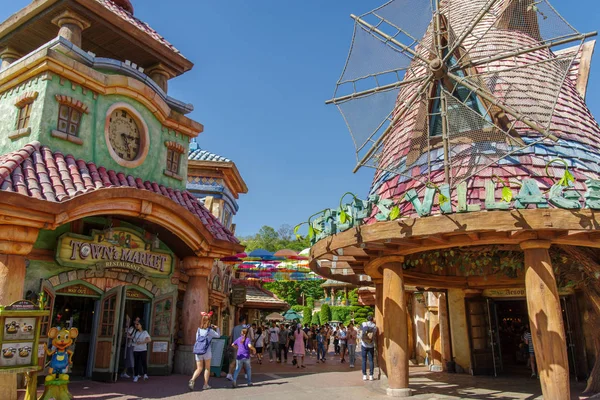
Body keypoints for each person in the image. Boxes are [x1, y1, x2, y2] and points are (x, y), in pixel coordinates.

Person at [188, 311, 221, 391]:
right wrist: (217, 328)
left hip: (198, 351)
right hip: (207, 351)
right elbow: (218, 336)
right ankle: (205, 385)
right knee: (207, 368)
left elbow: (197, 340)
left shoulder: (198, 330)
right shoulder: (209, 331)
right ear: (209, 322)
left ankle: (192, 380)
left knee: (199, 368)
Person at [227, 316, 248, 381]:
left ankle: (229, 374)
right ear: (244, 321)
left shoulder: (234, 328)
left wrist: (230, 344)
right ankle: (246, 374)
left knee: (233, 360)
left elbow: (231, 336)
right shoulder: (244, 328)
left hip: (234, 346)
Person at [361, 315, 377, 381]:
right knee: (371, 360)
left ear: (366, 319)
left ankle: (364, 375)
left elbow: (361, 332)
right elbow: (375, 334)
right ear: (372, 319)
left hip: (364, 344)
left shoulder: (363, 324)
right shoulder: (374, 326)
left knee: (364, 360)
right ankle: (371, 375)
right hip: (371, 345)